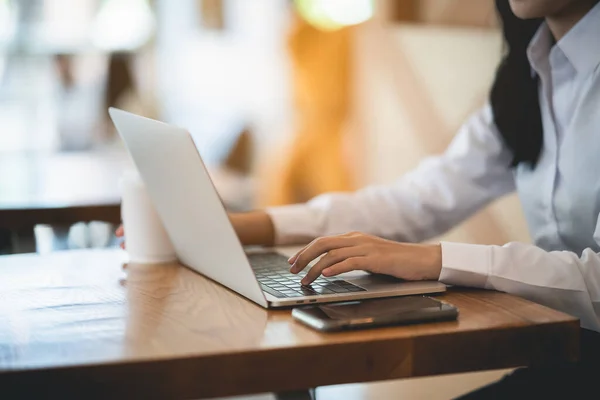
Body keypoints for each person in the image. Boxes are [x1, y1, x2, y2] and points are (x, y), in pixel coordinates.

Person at [118, 0, 600, 396]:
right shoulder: (527, 78)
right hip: (567, 355)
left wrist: (434, 260)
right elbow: (417, 201)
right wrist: (248, 224)